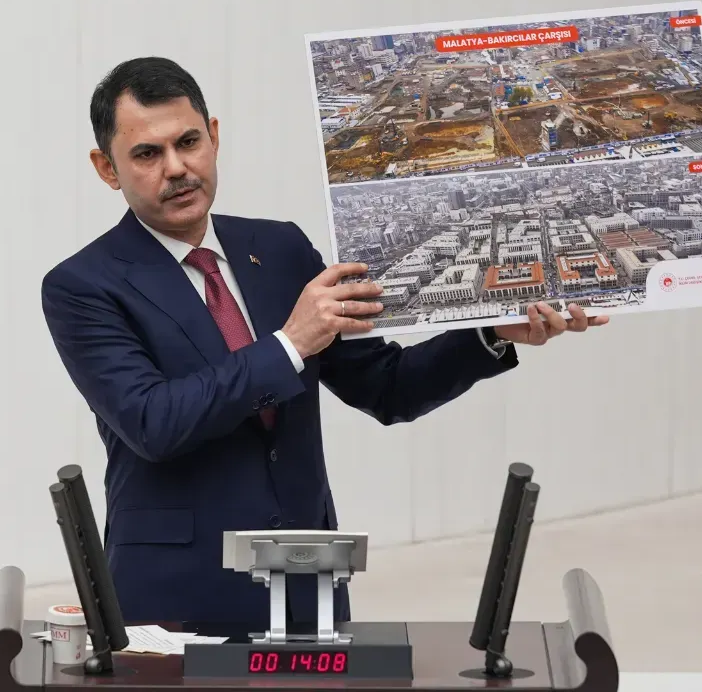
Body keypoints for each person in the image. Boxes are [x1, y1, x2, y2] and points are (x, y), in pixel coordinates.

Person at [41, 56, 608, 631]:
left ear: (213, 136)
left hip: (305, 578)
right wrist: (290, 343)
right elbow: (153, 423)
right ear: (107, 168)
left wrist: (489, 332)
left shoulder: (280, 249)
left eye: (188, 142)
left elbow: (387, 387)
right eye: (147, 154)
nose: (177, 168)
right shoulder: (82, 286)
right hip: (175, 596)